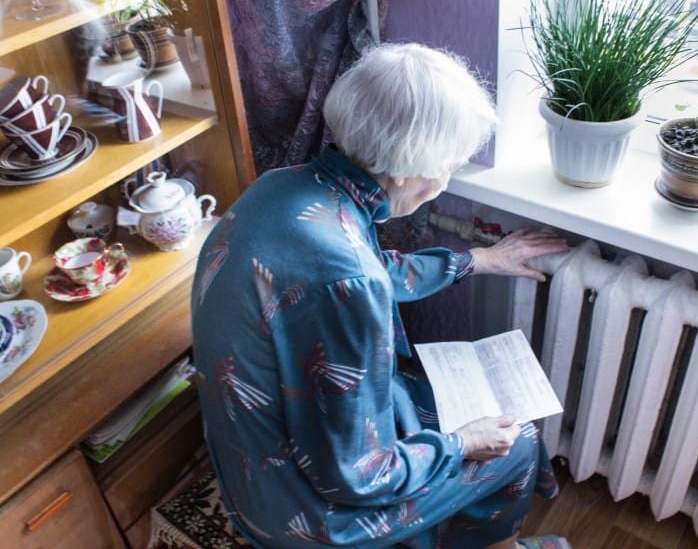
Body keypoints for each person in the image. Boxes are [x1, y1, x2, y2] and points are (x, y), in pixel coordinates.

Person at [191, 43, 571, 549]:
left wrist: (480, 259)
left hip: (250, 458)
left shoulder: (288, 188)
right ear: (412, 167)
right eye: (451, 165)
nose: (445, 180)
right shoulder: (348, 279)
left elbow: (362, 271)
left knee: (431, 404)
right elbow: (357, 478)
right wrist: (463, 443)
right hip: (304, 513)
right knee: (517, 442)